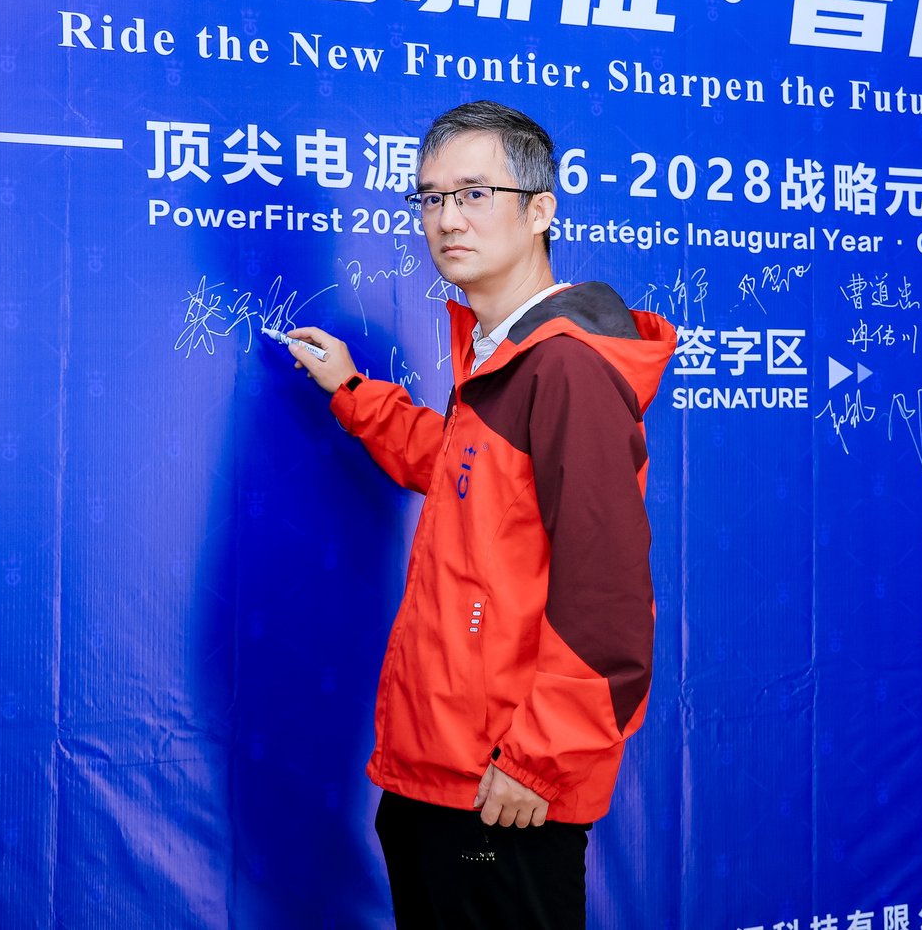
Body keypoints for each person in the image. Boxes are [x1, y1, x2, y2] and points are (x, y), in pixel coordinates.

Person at [284, 100, 676, 928]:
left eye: (473, 193)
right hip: (441, 771)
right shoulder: (504, 355)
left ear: (540, 209)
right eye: (430, 198)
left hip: (502, 788)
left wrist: (540, 762)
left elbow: (608, 600)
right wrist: (354, 392)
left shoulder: (565, 368)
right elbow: (463, 472)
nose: (446, 219)